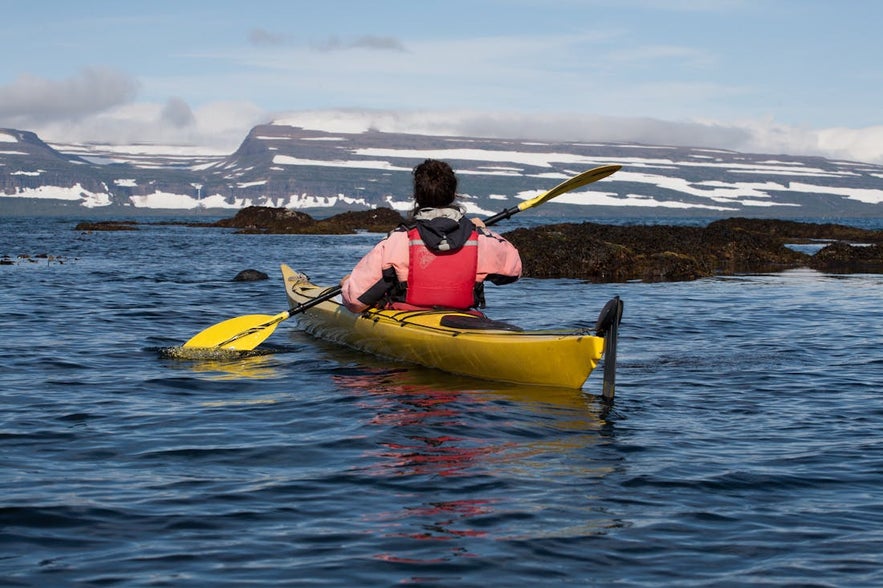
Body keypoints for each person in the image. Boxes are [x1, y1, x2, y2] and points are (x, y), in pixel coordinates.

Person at [340, 159, 522, 313]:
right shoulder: (480, 239)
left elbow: (355, 302)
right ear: (453, 194)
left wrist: (347, 284)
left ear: (417, 196)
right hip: (461, 316)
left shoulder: (398, 240)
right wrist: (483, 231)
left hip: (408, 317)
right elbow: (514, 270)